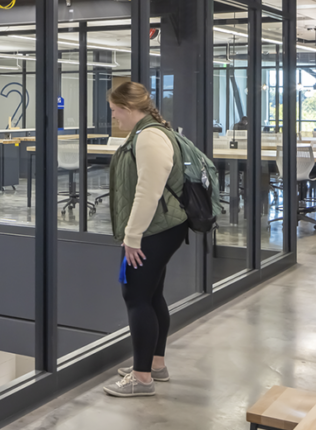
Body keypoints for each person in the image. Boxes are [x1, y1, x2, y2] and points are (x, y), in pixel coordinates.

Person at [103, 81, 189, 398]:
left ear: (127, 108)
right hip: (162, 226)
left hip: (155, 229)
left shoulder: (150, 137)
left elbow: (148, 190)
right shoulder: (147, 132)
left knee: (136, 297)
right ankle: (155, 365)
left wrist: (132, 237)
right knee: (151, 295)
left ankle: (141, 380)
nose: (114, 117)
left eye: (114, 111)